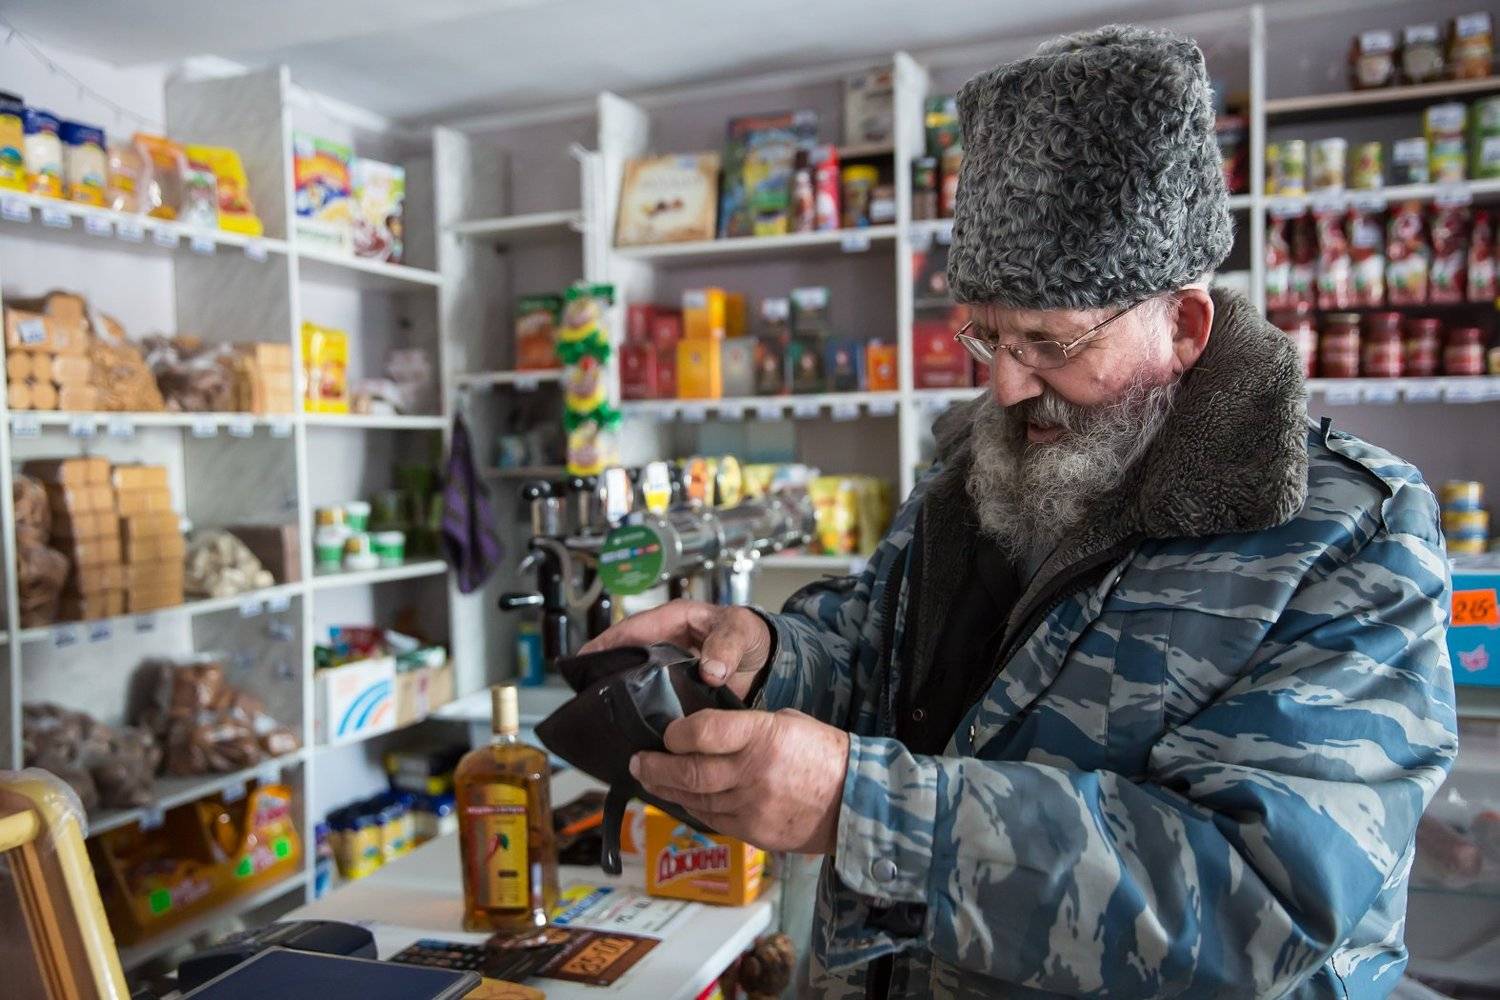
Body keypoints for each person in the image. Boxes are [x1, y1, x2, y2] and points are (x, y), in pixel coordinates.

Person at [583, 25, 1457, 999]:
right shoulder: (979, 465)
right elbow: (882, 663)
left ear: (1184, 325)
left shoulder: (1344, 534)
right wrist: (764, 656)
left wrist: (866, 811)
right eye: (987, 337)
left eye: (1047, 341)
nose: (1004, 387)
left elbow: (1259, 902)